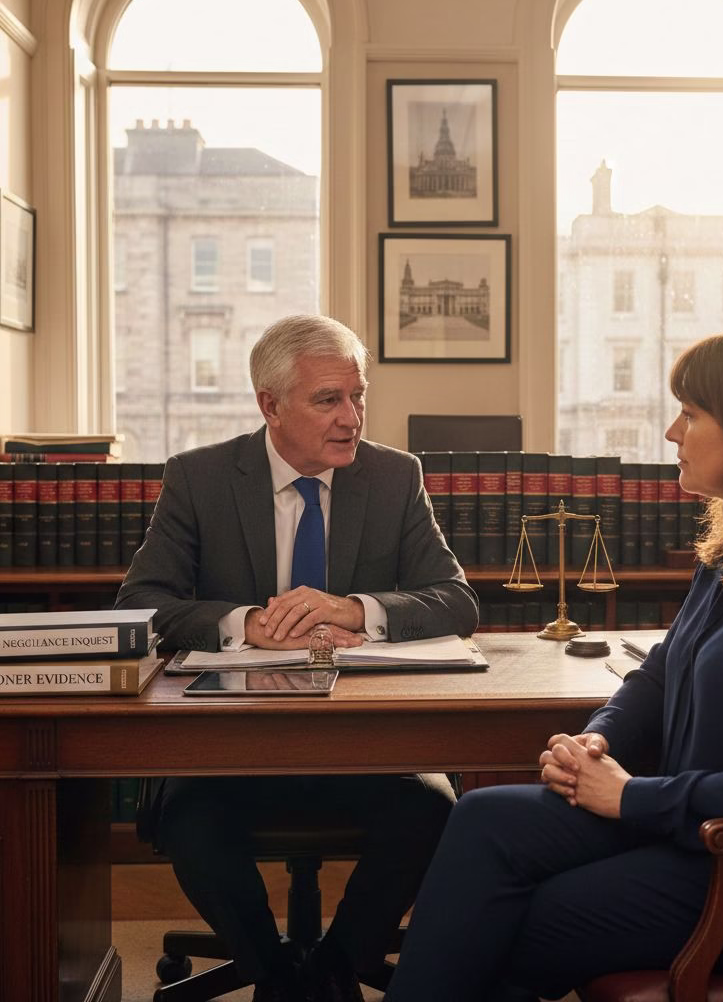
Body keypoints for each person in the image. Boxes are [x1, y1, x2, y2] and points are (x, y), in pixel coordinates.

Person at [382, 324, 723, 1002]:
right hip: (708, 834)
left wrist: (631, 796)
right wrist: (599, 738)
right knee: (484, 819)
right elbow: (661, 673)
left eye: (691, 414)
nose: (670, 433)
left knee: (531, 914)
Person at [116, 313, 478, 1002]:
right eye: (328, 400)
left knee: (433, 808)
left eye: (358, 395)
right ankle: (275, 974)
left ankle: (339, 963)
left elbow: (456, 600)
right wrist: (246, 622)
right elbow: (141, 603)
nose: (352, 418)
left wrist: (357, 609)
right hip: (230, 745)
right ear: (269, 405)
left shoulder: (395, 476)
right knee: (188, 819)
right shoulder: (201, 478)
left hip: (366, 742)